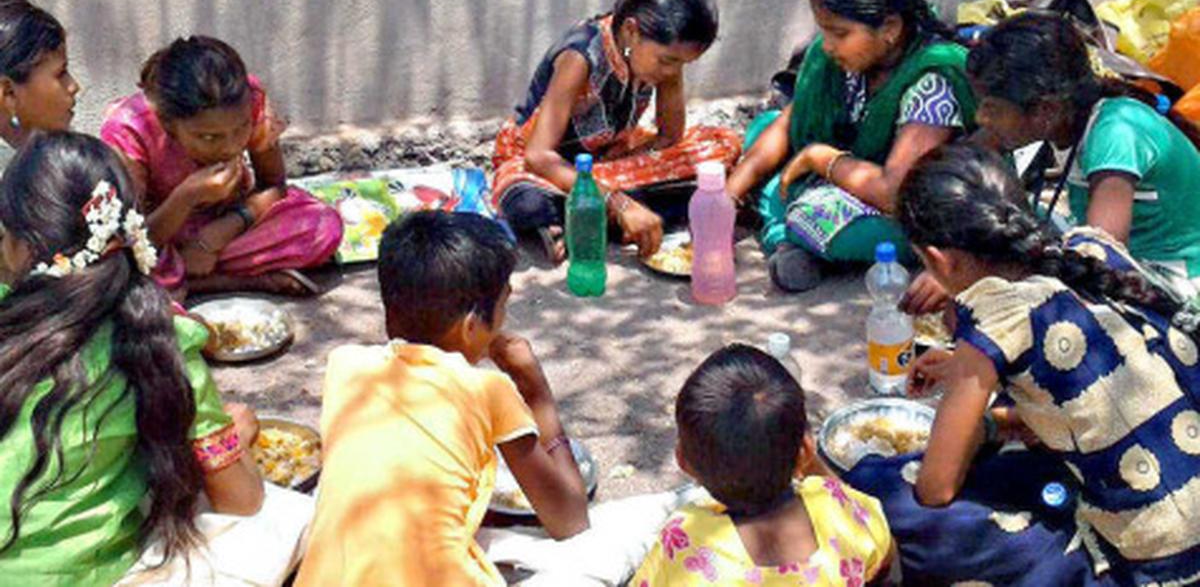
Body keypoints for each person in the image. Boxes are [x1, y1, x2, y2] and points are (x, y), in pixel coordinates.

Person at [860, 143, 1200, 584]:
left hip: (1166, 561)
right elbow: (1097, 394)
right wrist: (980, 390)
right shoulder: (1089, 250)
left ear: (940, 260)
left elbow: (935, 487)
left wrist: (983, 421)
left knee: (881, 487)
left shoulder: (996, 319)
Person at [0, 132, 308, 584]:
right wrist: (233, 436)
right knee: (287, 517)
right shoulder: (160, 337)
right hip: (86, 576)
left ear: (17, 244)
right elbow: (242, 501)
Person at [296, 211, 589, 586]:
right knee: (597, 556)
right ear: (471, 327)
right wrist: (535, 389)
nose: (504, 320)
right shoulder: (488, 390)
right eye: (504, 307)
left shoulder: (345, 366)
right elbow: (570, 519)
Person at [726, 0, 976, 292]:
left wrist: (822, 160)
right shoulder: (846, 61)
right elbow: (788, 123)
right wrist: (727, 197)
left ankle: (785, 235)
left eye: (839, 33)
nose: (826, 45)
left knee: (817, 216)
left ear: (889, 27)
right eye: (823, 30)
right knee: (764, 128)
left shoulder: (931, 80)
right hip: (847, 179)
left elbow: (894, 192)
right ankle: (792, 238)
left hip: (907, 208)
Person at [492, 0, 741, 262]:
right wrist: (618, 203)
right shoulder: (580, 56)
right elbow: (538, 156)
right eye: (667, 61)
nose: (672, 72)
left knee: (720, 150)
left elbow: (670, 136)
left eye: (683, 64)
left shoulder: (659, 59)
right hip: (545, 167)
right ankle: (605, 216)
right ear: (632, 31)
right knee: (527, 203)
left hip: (610, 159)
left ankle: (586, 221)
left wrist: (674, 72)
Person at [964, 11, 1200, 304]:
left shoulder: (1117, 133)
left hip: (1178, 282)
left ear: (1046, 110)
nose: (981, 118)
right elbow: (966, 159)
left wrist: (982, 274)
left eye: (993, 108)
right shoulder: (1063, 117)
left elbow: (1100, 259)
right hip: (1129, 258)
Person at [100, 35, 343, 300]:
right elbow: (133, 238)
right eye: (208, 137)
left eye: (241, 129)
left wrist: (216, 236)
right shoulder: (129, 129)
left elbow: (273, 185)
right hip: (159, 236)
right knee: (120, 271)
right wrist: (187, 196)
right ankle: (223, 282)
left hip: (229, 223)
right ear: (168, 124)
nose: (230, 147)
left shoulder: (249, 98)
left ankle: (185, 279)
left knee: (323, 227)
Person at [632, 344, 894, 586]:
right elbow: (883, 558)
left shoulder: (685, 537)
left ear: (683, 462)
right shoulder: (836, 505)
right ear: (805, 452)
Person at [0, 0, 80, 170]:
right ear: (9, 93)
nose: (74, 87)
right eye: (60, 74)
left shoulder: (39, 160)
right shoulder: (17, 185)